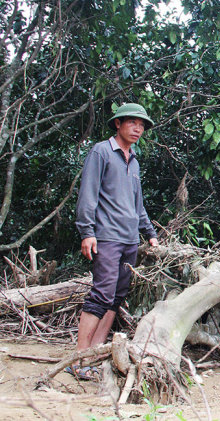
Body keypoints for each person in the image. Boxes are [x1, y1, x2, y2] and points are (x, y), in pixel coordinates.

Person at [69, 103, 159, 379]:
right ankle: (78, 359)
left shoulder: (134, 161)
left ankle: (95, 353)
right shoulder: (101, 152)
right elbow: (88, 195)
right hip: (106, 237)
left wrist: (151, 234)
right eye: (132, 122)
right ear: (117, 124)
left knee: (117, 296)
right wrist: (87, 232)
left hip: (130, 240)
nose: (138, 128)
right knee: (102, 294)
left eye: (141, 125)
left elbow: (137, 204)